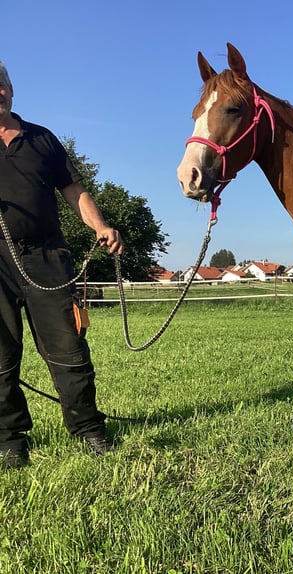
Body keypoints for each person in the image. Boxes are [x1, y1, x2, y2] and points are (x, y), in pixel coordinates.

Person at [0, 60, 123, 469]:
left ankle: (89, 430)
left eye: (1, 84)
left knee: (69, 349)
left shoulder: (41, 138)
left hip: (48, 257)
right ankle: (9, 442)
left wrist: (101, 225)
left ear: (12, 88)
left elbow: (74, 191)